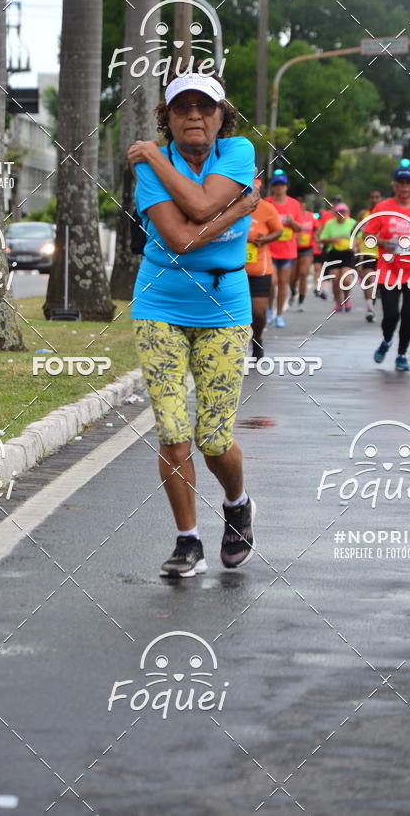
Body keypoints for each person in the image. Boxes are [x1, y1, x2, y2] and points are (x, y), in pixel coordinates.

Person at [127, 70, 260, 578]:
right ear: (168, 117)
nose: (195, 116)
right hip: (160, 304)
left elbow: (200, 208)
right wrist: (238, 210)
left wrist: (154, 157)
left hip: (224, 308)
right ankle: (188, 542)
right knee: (172, 430)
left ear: (223, 116)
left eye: (206, 107)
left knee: (214, 438)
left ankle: (237, 505)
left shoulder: (237, 152)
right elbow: (179, 241)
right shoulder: (151, 167)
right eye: (182, 107)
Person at [367, 164, 410, 371]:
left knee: (408, 314)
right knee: (390, 315)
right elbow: (368, 236)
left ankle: (401, 355)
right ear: (394, 185)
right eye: (400, 183)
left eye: (408, 183)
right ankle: (387, 341)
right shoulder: (382, 208)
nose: (404, 187)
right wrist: (383, 242)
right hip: (388, 269)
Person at [245, 178, 282, 357]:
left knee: (258, 312)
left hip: (259, 268)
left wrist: (264, 239)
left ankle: (257, 338)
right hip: (230, 269)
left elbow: (278, 231)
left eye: (256, 190)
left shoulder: (267, 208)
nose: (253, 193)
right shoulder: (227, 205)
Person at [265, 170, 302, 327]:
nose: (279, 187)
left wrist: (291, 222)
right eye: (276, 184)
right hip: (270, 250)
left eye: (282, 184)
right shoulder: (267, 203)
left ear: (286, 186)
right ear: (273, 187)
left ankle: (279, 315)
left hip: (287, 251)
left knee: (283, 283)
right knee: (272, 282)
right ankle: (269, 310)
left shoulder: (294, 204)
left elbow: (300, 228)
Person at [318, 203, 356, 311]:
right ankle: (338, 302)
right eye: (339, 212)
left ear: (347, 213)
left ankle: (346, 300)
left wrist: (354, 245)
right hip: (334, 253)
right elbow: (322, 239)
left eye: (343, 212)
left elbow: (358, 236)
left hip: (348, 253)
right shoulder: (330, 224)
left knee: (346, 280)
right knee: (335, 280)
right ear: (335, 214)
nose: (341, 214)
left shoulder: (352, 223)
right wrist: (333, 240)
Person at [356, 189, 382, 322]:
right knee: (369, 280)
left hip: (383, 253)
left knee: (377, 282)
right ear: (369, 199)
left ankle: (374, 297)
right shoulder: (363, 214)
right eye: (372, 197)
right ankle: (370, 308)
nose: (374, 199)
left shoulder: (385, 214)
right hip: (367, 252)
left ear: (380, 199)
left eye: (377, 197)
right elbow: (356, 231)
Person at [289, 194, 314, 311]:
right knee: (292, 277)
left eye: (302, 203)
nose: (300, 205)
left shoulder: (310, 216)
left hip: (307, 249)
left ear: (305, 204)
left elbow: (317, 228)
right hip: (293, 248)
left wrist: (317, 237)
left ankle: (301, 301)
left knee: (303, 274)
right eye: (298, 203)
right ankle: (293, 292)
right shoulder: (291, 216)